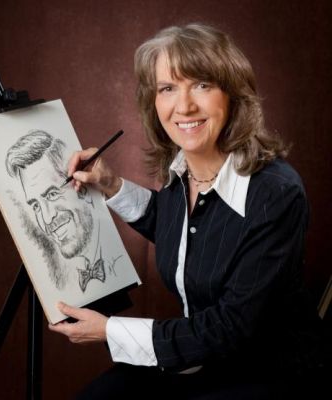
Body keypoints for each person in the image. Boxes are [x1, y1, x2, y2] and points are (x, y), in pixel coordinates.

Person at [48, 23, 326, 398]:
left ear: (233, 94)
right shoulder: (183, 170)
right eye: (167, 88)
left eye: (201, 85)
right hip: (198, 355)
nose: (184, 106)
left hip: (267, 368)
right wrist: (110, 183)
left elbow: (232, 326)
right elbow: (180, 228)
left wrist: (110, 331)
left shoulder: (275, 194)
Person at [5, 130, 119, 293]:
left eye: (52, 194)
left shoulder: (120, 261)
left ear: (82, 187)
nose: (47, 218)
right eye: (36, 206)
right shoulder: (61, 283)